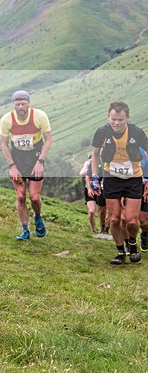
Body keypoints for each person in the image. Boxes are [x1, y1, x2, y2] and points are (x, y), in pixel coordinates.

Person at [91, 101, 148, 265]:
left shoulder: (136, 132)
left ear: (127, 118)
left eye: (120, 120)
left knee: (131, 220)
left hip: (134, 178)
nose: (116, 123)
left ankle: (132, 242)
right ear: (108, 117)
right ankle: (120, 252)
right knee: (114, 219)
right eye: (113, 119)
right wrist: (95, 176)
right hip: (111, 178)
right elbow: (95, 154)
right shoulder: (102, 132)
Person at [0, 91, 53, 240]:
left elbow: (48, 139)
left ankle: (37, 216)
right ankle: (25, 230)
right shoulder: (6, 120)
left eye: (23, 104)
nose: (21, 107)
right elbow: (3, 143)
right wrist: (12, 166)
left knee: (35, 198)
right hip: (17, 158)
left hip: (35, 156)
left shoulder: (39, 116)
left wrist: (40, 162)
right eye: (18, 104)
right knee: (21, 196)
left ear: (28, 103)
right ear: (13, 105)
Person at [81, 155, 109, 238]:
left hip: (101, 189)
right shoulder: (89, 163)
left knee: (102, 210)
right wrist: (89, 188)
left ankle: (102, 229)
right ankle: (93, 229)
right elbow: (84, 175)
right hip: (89, 189)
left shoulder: (105, 163)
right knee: (92, 211)